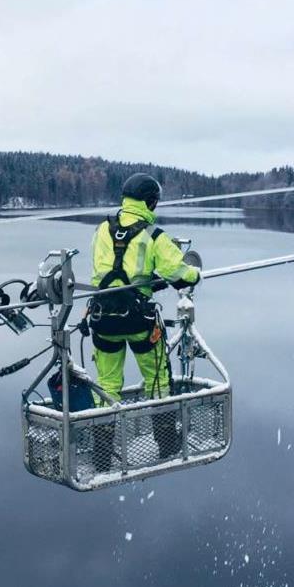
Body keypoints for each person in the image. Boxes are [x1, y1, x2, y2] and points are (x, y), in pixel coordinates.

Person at [87, 173, 200, 464]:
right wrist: (195, 273)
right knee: (158, 380)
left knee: (107, 385)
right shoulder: (153, 235)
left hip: (103, 317)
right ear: (150, 202)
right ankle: (166, 445)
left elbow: (103, 268)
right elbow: (179, 272)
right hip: (138, 320)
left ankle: (101, 455)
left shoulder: (102, 229)